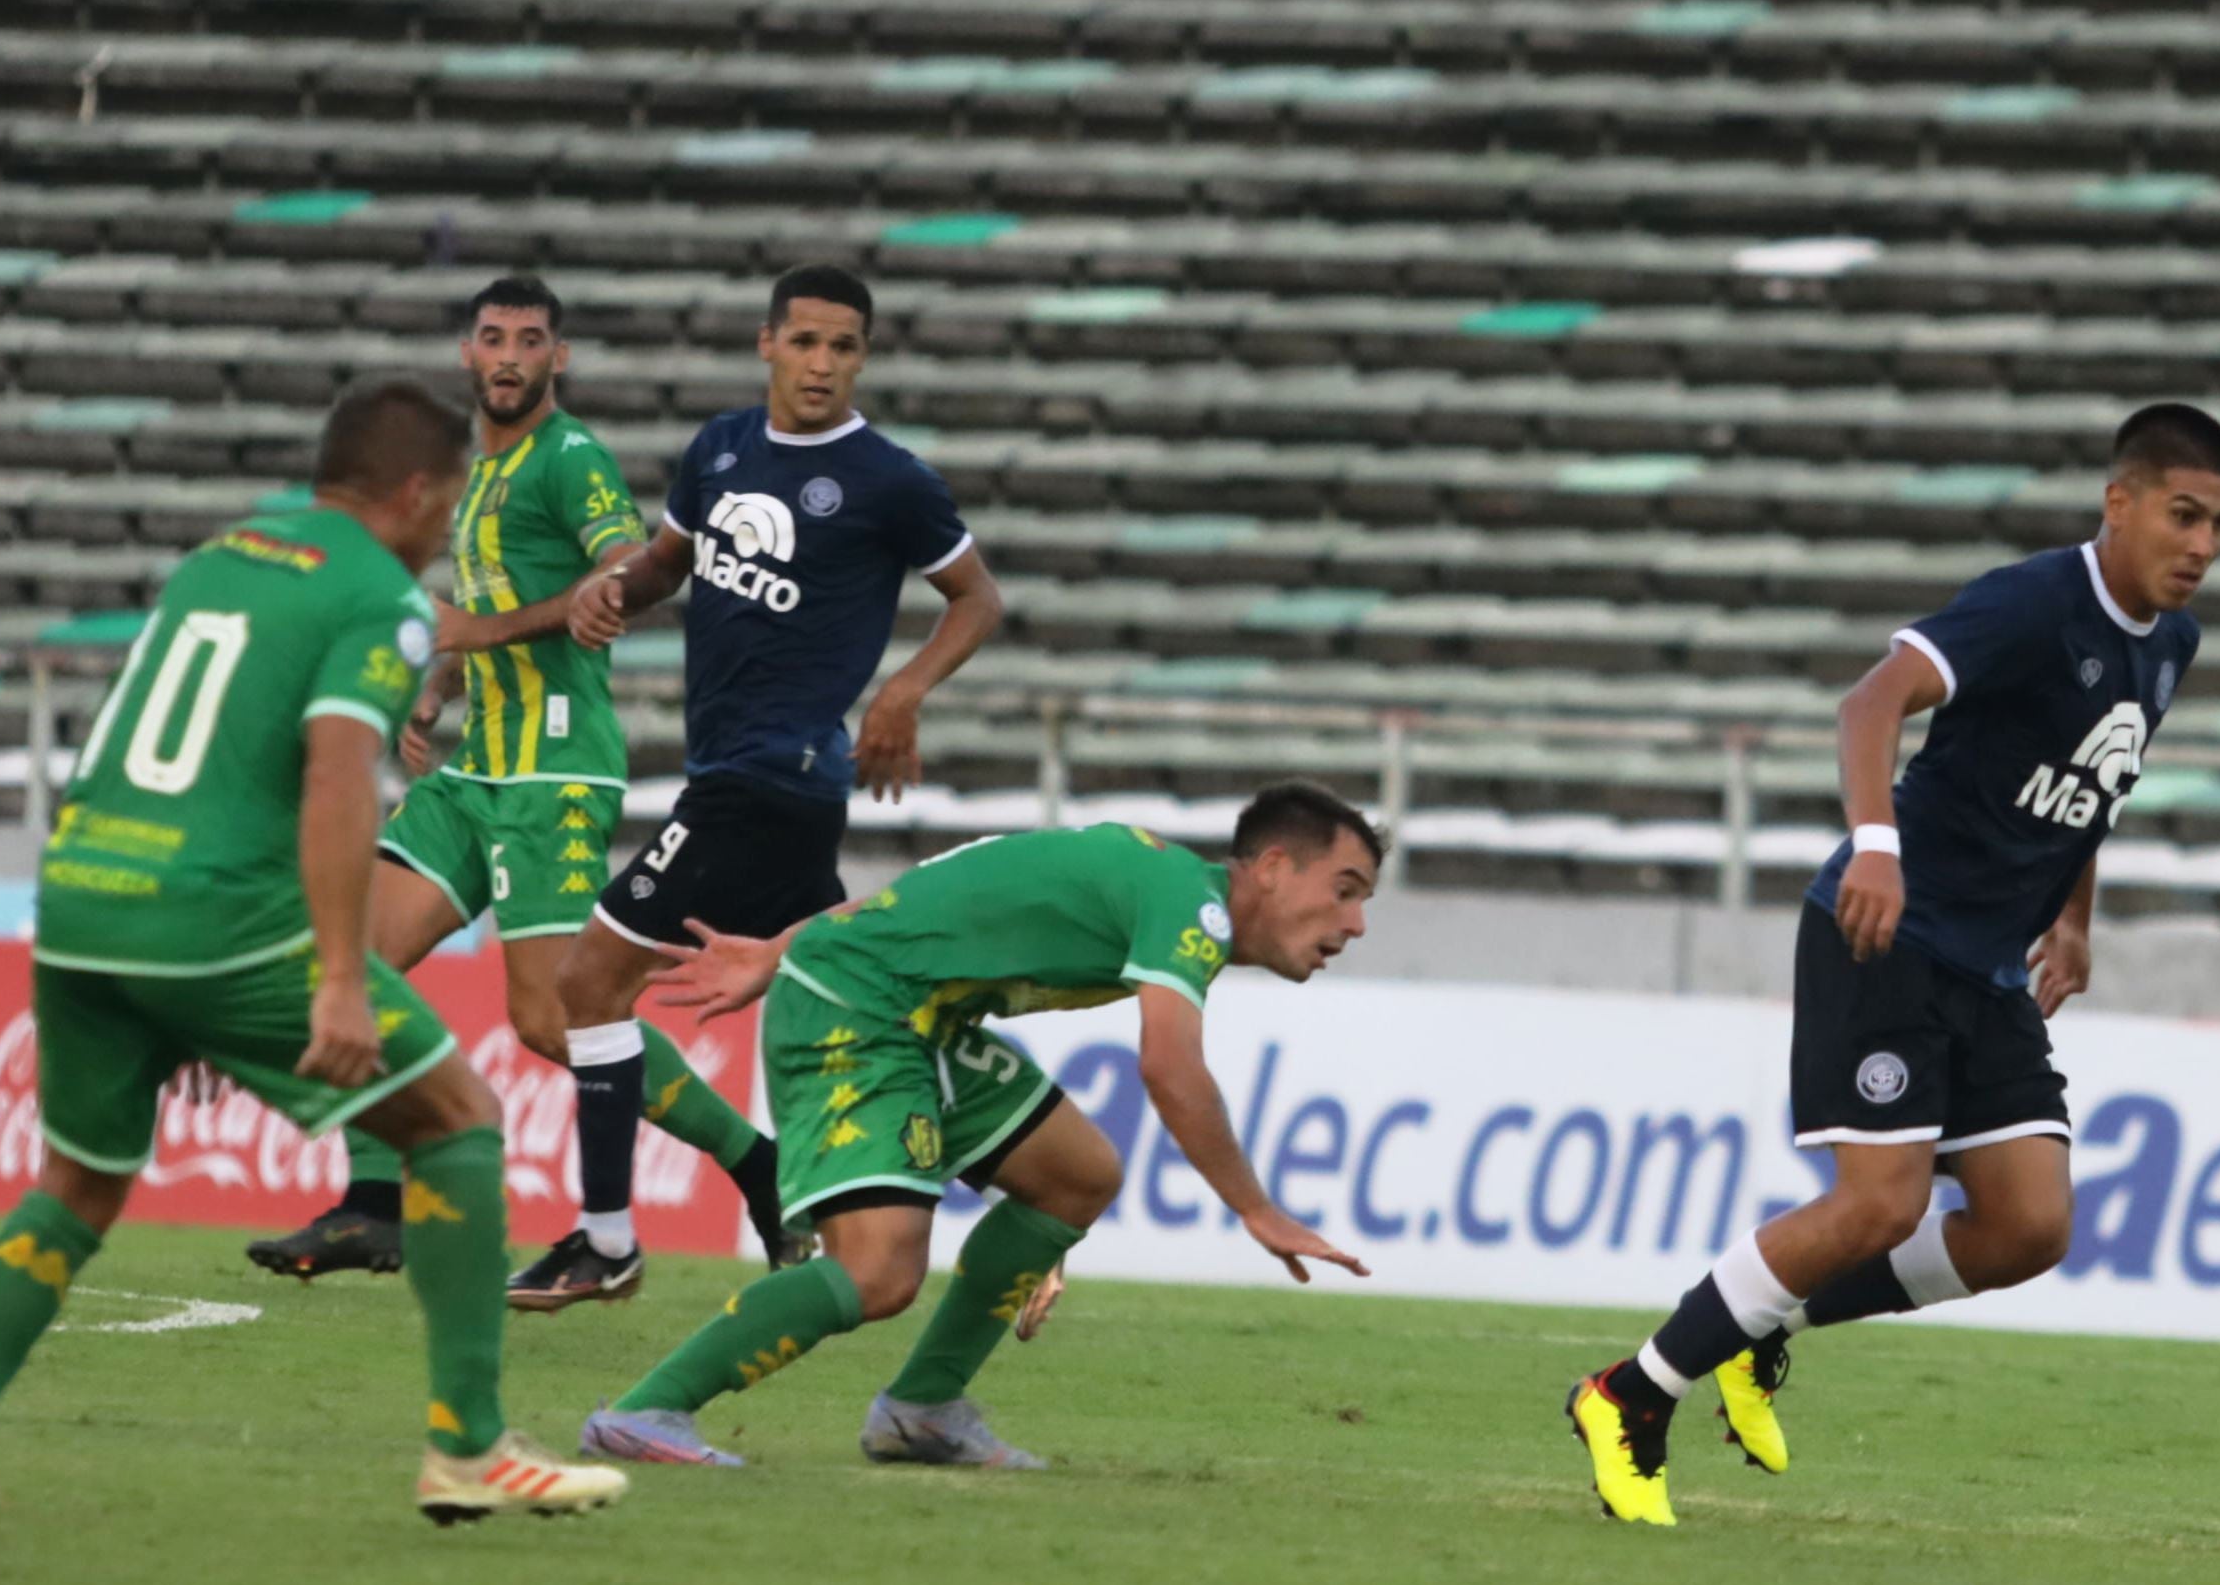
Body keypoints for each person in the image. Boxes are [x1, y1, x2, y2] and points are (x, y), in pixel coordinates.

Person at [0, 379, 628, 1525]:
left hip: (82, 900)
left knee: (77, 1187)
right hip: (219, 913)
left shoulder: (221, 554)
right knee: (461, 1121)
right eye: (453, 498)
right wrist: (334, 976)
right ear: (419, 491)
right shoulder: (384, 595)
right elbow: (335, 774)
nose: (449, 532)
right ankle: (468, 1446)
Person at [1563, 404, 2220, 1525]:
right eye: (2182, 515)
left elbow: (2090, 785)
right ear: (2118, 503)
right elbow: (1869, 699)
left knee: (2029, 1226)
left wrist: (2073, 917)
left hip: (1987, 967)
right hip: (1885, 933)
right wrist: (1876, 845)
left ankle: (1759, 1323)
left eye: (2219, 523)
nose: (2202, 544)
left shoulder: (2171, 643)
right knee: (1881, 1203)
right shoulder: (2031, 601)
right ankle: (1628, 1393)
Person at [575, 783, 1381, 1473]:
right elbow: (1171, 1070)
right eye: (1345, 889)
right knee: (880, 1273)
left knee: (1078, 1176)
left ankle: (921, 1411)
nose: (1356, 923)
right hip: (855, 1002)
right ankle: (645, 1411)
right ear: (1273, 868)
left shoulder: (1164, 884)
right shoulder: (1189, 908)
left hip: (917, 1011)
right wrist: (1257, 1209)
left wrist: (783, 945)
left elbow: (942, 888)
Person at [245, 275, 786, 1287]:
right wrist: (441, 683)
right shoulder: (476, 470)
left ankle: (758, 1164)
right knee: (347, 962)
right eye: (492, 338)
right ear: (466, 352)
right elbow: (483, 597)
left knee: (550, 1018)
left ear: (557, 359)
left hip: (555, 770)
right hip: (476, 767)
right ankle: (373, 1203)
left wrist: (607, 590)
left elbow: (621, 558)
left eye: (529, 341)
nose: (508, 357)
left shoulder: (566, 454)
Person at [507, 262, 1006, 1309]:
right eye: (807, 341)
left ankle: (607, 1241)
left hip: (767, 778)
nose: (823, 363)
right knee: (872, 994)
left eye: (844, 346)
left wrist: (903, 692)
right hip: (750, 778)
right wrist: (610, 593)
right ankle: (1023, 1200)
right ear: (767, 343)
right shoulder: (720, 450)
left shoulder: (887, 479)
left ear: (862, 358)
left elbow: (975, 598)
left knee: (589, 986)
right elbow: (662, 566)